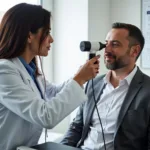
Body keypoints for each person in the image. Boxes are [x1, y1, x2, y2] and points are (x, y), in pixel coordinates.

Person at [0, 3, 100, 150]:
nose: (51, 39)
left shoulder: (29, 69)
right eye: (47, 33)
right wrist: (80, 79)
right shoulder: (4, 71)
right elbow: (45, 116)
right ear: (29, 35)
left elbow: (52, 92)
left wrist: (79, 75)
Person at [61, 22, 150, 150]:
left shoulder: (147, 90)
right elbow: (77, 127)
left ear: (134, 50)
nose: (106, 50)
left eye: (115, 44)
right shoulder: (93, 83)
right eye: (106, 44)